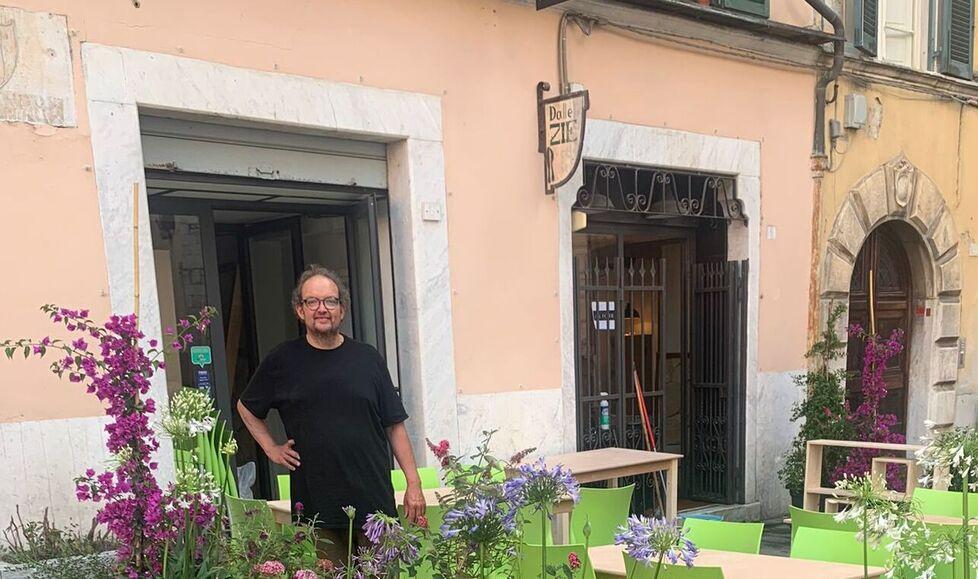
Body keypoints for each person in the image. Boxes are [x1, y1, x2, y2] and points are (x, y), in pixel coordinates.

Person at [237, 264, 425, 563]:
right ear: (300, 310)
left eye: (330, 301)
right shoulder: (282, 361)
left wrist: (413, 484)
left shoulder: (368, 359)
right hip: (318, 504)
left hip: (373, 502)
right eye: (312, 301)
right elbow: (246, 407)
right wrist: (271, 448)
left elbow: (394, 426)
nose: (321, 309)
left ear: (342, 309)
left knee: (382, 573)